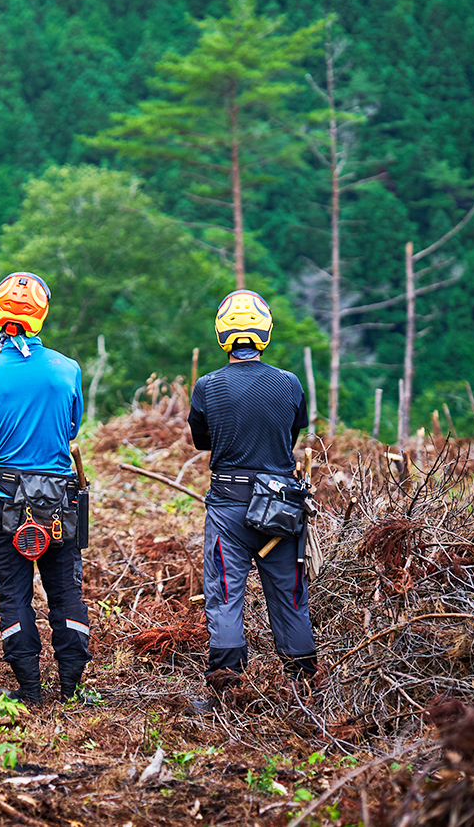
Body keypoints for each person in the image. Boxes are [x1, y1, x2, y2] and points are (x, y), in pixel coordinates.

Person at [0, 272, 89, 704]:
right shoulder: (67, 369)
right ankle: (71, 689)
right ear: (41, 316)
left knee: (13, 593)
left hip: (5, 502)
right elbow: (73, 428)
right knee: (65, 591)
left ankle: (30, 689)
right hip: (59, 501)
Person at [189, 290, 316, 683]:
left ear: (222, 335)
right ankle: (303, 681)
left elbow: (201, 440)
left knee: (225, 591)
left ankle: (228, 680)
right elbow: (292, 434)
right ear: (265, 333)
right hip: (279, 505)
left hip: (228, 504)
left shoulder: (207, 386)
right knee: (290, 593)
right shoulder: (290, 384)